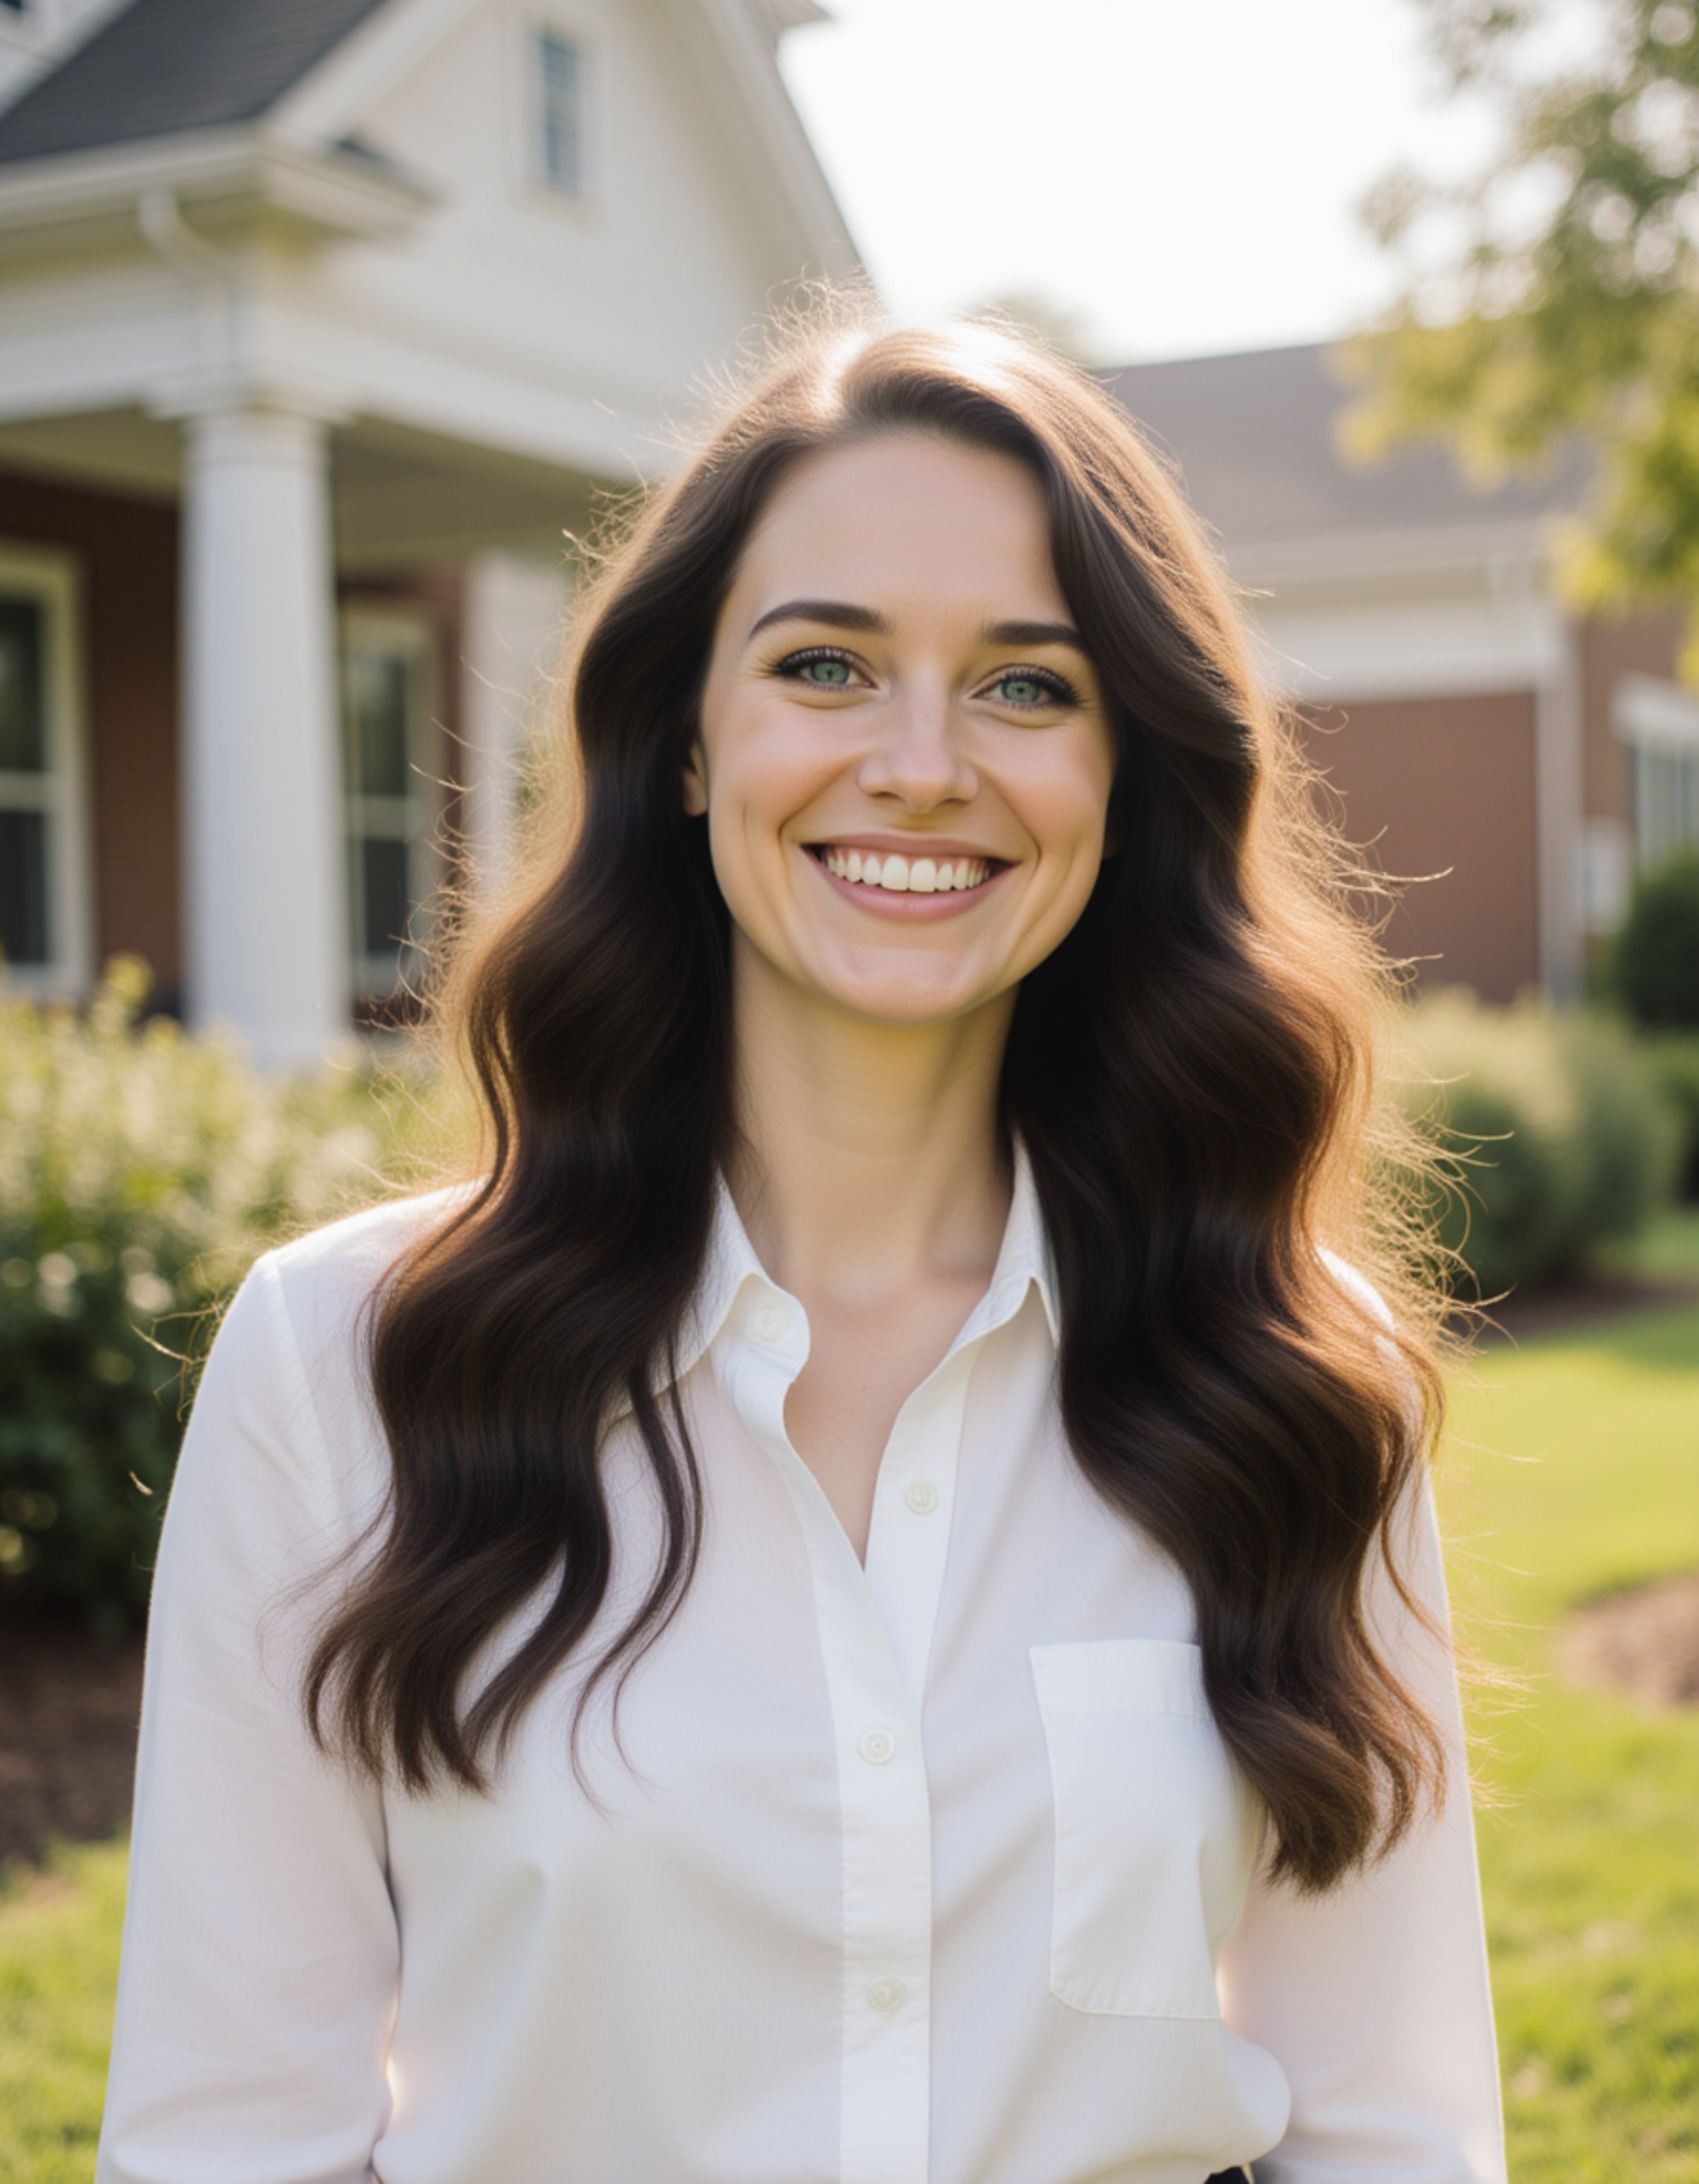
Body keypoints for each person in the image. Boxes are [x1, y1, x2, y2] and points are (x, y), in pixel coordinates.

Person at [97, 302, 1507, 2184]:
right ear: (684, 740)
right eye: (826, 665)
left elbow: (1391, 2132)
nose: (922, 763)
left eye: (1026, 684)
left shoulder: (1291, 1375)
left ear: (1124, 772)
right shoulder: (344, 1359)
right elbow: (226, 2145)